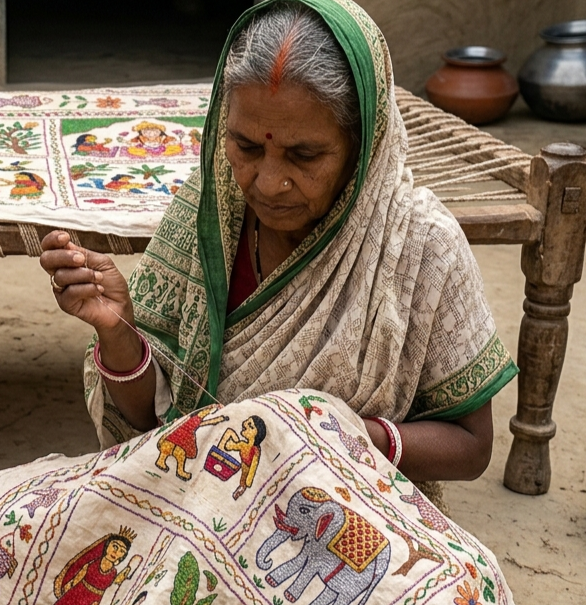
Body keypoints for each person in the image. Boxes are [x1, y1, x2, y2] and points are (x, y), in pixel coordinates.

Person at [39, 0, 517, 502]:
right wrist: (119, 332)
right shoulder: (211, 214)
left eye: (304, 155)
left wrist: (342, 438)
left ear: (362, 144)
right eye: (246, 147)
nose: (268, 183)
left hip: (347, 521)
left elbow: (471, 445)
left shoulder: (419, 245)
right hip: (200, 509)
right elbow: (152, 422)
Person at [49, 528, 136, 605]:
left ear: (122, 556)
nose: (116, 552)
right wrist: (71, 584)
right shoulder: (95, 562)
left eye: (121, 551)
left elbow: (116, 582)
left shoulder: (113, 572)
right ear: (107, 546)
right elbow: (82, 572)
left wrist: (128, 569)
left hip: (94, 598)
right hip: (80, 589)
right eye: (114, 546)